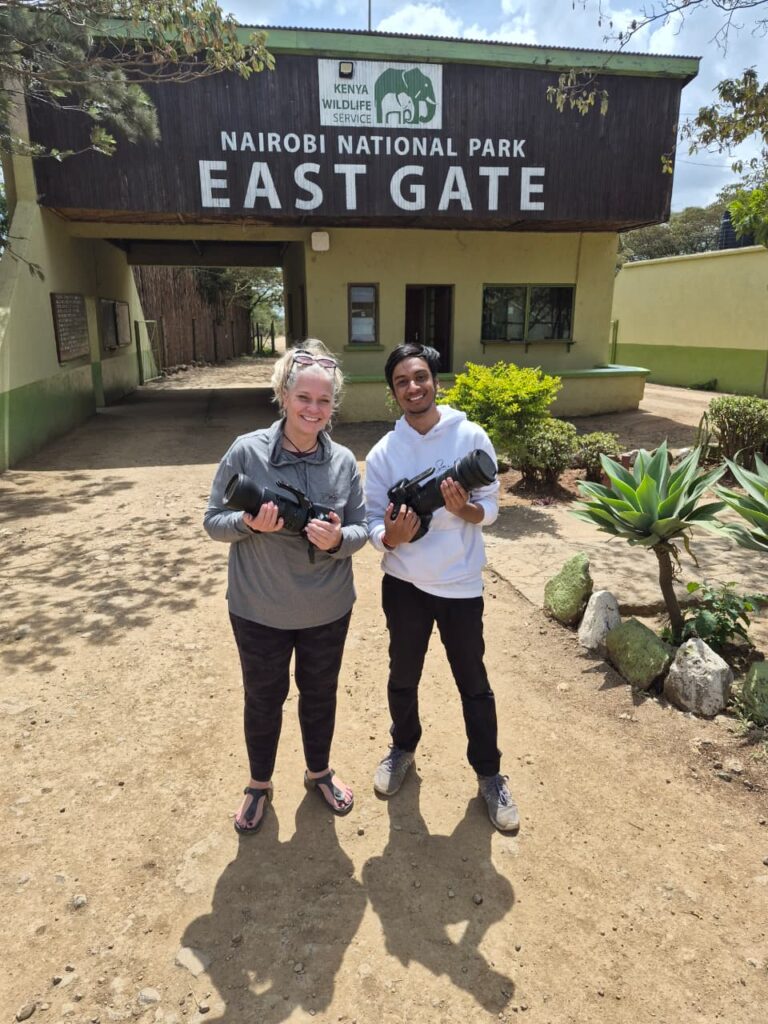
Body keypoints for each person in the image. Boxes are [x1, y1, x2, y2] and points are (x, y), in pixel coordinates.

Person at [204, 339, 367, 834]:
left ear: (333, 404)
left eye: (323, 401)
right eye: (304, 398)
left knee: (321, 694)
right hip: (259, 609)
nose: (313, 410)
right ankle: (259, 783)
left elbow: (363, 529)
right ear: (283, 394)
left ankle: (319, 772)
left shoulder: (342, 462)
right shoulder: (247, 451)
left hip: (327, 608)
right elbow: (213, 520)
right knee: (263, 697)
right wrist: (251, 525)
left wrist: (339, 539)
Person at [364, 343, 519, 833]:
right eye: (402, 382)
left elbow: (490, 507)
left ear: (435, 381)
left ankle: (490, 774)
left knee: (473, 682)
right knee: (402, 675)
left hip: (459, 583)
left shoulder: (470, 436)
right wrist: (393, 535)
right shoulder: (384, 453)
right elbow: (371, 523)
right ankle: (402, 747)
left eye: (421, 377)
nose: (414, 387)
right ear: (394, 393)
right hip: (405, 582)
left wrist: (464, 510)